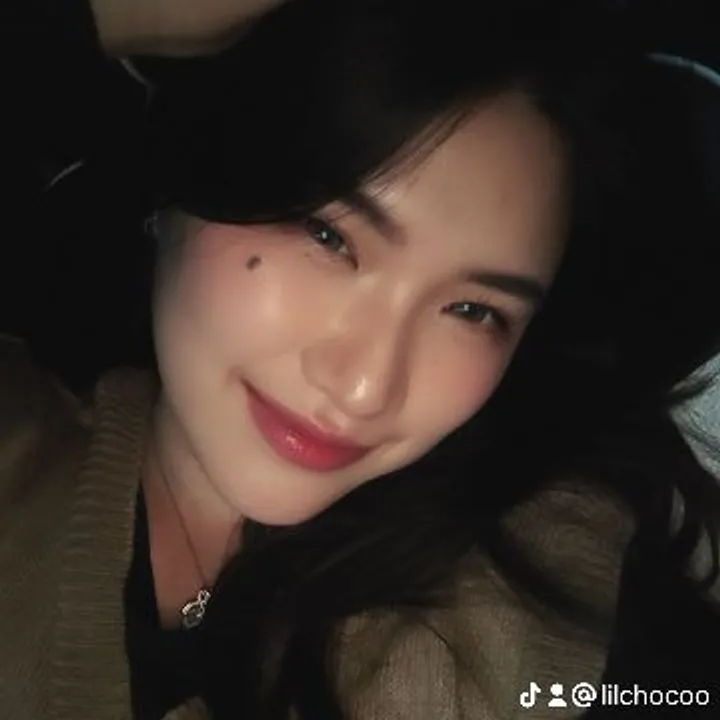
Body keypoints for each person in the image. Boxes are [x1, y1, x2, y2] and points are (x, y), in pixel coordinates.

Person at [2, 1, 719, 719]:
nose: (365, 387)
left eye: (473, 311)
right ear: (185, 172)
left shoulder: (553, 574)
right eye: (327, 236)